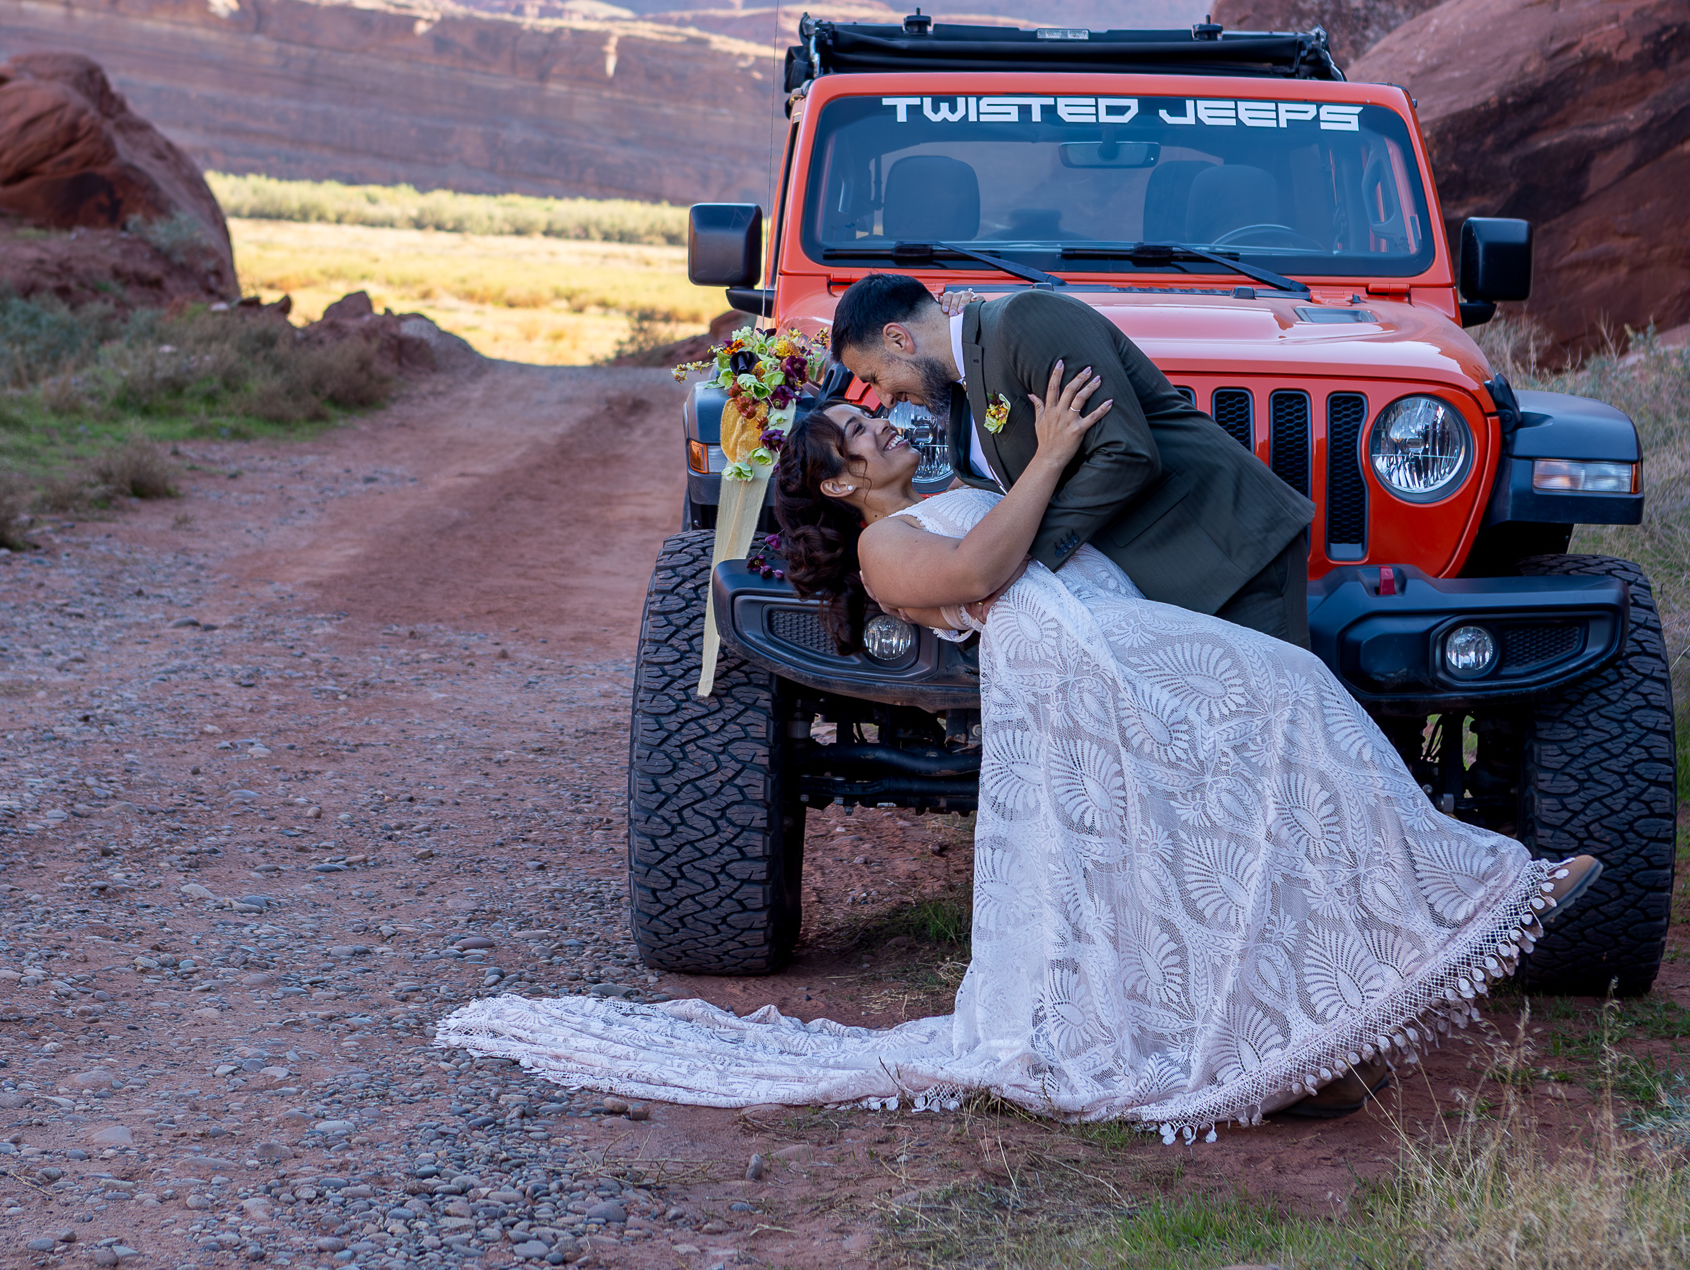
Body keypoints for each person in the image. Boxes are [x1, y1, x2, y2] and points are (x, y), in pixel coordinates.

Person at [438, 369, 1602, 1138]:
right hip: (1082, 669)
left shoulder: (935, 486)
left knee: (1258, 768)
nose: (881, 422)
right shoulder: (892, 546)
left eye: (873, 412)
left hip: (1117, 636)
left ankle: (1342, 988)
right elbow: (988, 568)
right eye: (857, 431)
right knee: (1285, 709)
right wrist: (1044, 455)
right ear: (841, 484)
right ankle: (1453, 896)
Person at [828, 271, 1316, 645]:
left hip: (1226, 550)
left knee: (1284, 743)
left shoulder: (1024, 320)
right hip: (1160, 584)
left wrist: (1026, 562)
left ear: (898, 338)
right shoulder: (957, 389)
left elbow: (1126, 453)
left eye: (873, 377)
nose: (884, 399)